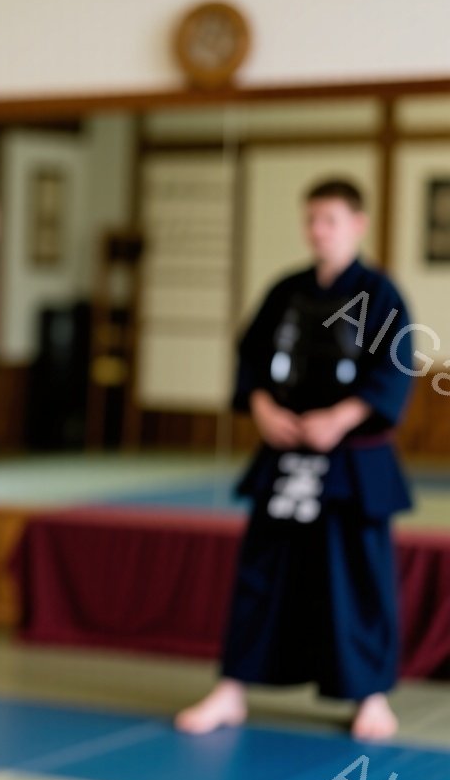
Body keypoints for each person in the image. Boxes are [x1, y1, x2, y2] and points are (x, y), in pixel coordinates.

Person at [176, 179, 415, 742]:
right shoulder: (287, 289)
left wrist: (343, 417)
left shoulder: (378, 294)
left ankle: (370, 696)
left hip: (351, 462)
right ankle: (232, 688)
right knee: (262, 572)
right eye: (311, 220)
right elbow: (251, 357)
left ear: (358, 224)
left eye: (330, 220)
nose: (318, 231)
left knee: (357, 577)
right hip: (286, 455)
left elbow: (394, 367)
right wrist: (262, 407)